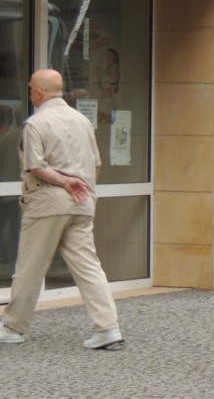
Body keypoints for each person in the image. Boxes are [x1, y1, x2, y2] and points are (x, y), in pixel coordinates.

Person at [0, 69, 122, 349]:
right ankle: (108, 328)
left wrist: (65, 182)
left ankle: (12, 327)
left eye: (31, 89)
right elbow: (96, 164)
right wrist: (85, 192)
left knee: (29, 267)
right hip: (82, 204)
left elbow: (35, 166)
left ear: (38, 93)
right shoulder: (82, 121)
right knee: (89, 267)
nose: (31, 94)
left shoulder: (35, 123)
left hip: (46, 204)